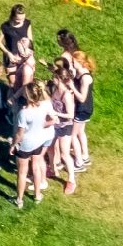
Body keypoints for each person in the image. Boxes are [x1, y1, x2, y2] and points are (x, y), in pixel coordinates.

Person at [10, 80, 56, 208]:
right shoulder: (45, 105)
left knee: (22, 173)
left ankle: (19, 200)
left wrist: (13, 144)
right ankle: (37, 195)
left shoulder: (23, 113)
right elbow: (52, 115)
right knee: (36, 168)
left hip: (25, 144)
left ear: (28, 96)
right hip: (38, 142)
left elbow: (20, 133)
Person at [47, 61, 78, 194]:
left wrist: (56, 113)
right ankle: (53, 169)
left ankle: (71, 180)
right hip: (55, 123)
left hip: (65, 126)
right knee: (49, 147)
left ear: (59, 79)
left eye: (54, 77)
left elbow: (70, 115)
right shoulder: (55, 89)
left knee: (65, 154)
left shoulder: (66, 95)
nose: (52, 78)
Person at [70, 50, 96, 170]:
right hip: (85, 108)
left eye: (73, 61)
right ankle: (85, 156)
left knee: (72, 135)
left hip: (83, 109)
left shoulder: (85, 78)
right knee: (81, 132)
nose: (72, 63)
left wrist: (71, 87)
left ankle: (79, 163)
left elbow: (82, 98)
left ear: (79, 62)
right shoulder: (79, 72)